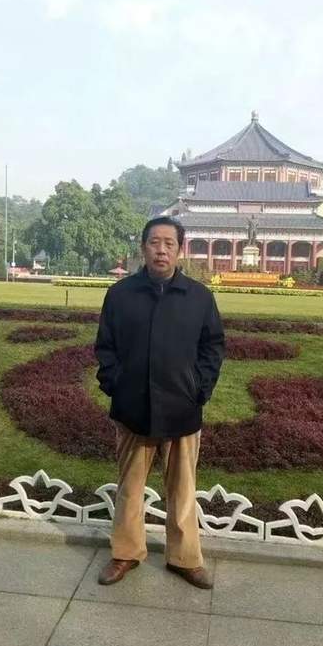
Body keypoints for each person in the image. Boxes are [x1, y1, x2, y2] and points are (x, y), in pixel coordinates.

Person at [94, 216, 225, 589]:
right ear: (143, 248)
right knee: (130, 488)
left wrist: (199, 389)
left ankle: (185, 558)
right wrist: (117, 386)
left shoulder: (198, 297)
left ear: (180, 250)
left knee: (182, 490)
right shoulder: (121, 295)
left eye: (169, 243)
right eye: (154, 242)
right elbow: (105, 347)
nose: (161, 250)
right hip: (133, 409)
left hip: (182, 409)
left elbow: (213, 347)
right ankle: (125, 553)